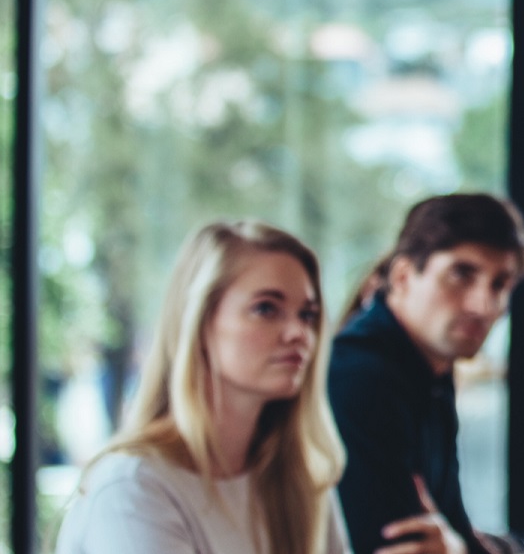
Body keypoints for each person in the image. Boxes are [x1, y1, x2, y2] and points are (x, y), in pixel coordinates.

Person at [55, 221, 348, 553]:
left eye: (308, 315)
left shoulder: (299, 477)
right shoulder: (133, 486)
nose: (299, 333)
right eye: (266, 308)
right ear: (200, 321)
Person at [330, 194, 524, 554]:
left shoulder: (429, 371)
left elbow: (452, 529)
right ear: (403, 276)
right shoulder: (362, 375)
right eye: (461, 274)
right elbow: (399, 547)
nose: (483, 305)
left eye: (500, 284)